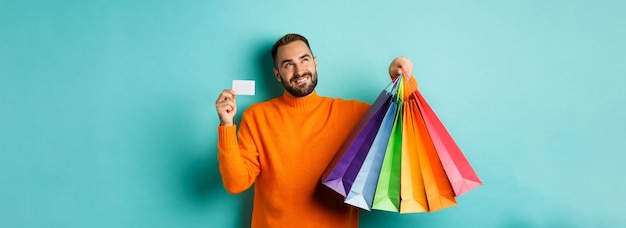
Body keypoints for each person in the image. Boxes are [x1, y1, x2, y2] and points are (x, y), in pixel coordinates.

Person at [215, 33, 413, 228]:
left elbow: (405, 125)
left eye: (304, 60)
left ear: (315, 62)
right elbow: (235, 183)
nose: (299, 71)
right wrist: (226, 125)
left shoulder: (353, 114)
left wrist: (401, 81)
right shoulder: (256, 116)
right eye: (288, 64)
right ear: (277, 74)